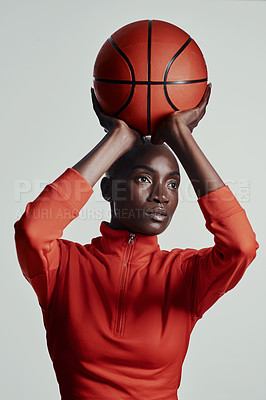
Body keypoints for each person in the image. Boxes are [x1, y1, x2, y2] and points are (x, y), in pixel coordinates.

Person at [14, 84, 259, 400]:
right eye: (144, 178)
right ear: (108, 190)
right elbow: (32, 231)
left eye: (172, 184)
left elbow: (241, 246)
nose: (161, 195)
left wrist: (181, 137)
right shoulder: (63, 268)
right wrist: (116, 140)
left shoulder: (185, 275)